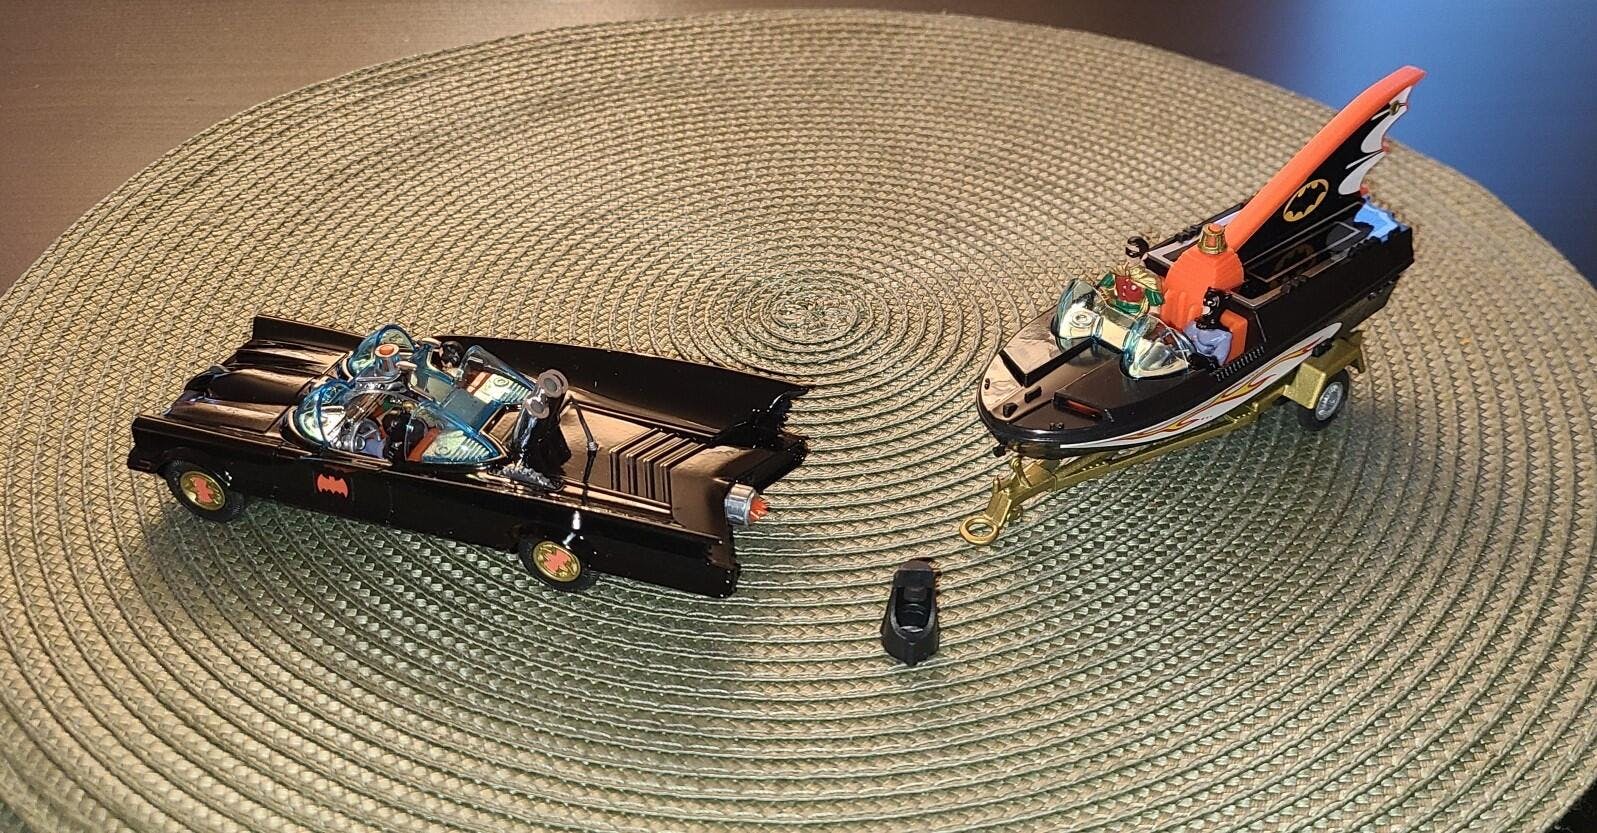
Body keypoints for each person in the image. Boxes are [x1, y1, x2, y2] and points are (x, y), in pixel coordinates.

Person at [1096, 260, 1164, 317]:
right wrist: (1101, 296)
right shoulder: (1118, 270)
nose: (1130, 259)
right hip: (1112, 307)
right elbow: (1102, 288)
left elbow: (1154, 309)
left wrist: (1148, 320)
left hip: (1133, 314)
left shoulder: (1149, 281)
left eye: (1134, 254)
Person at [1184, 289, 1233, 365]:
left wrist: (1201, 361)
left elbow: (1217, 362)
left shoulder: (1223, 336)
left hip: (1199, 368)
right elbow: (1180, 339)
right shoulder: (1193, 324)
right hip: (1181, 359)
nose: (1205, 306)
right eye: (1205, 303)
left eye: (1210, 304)